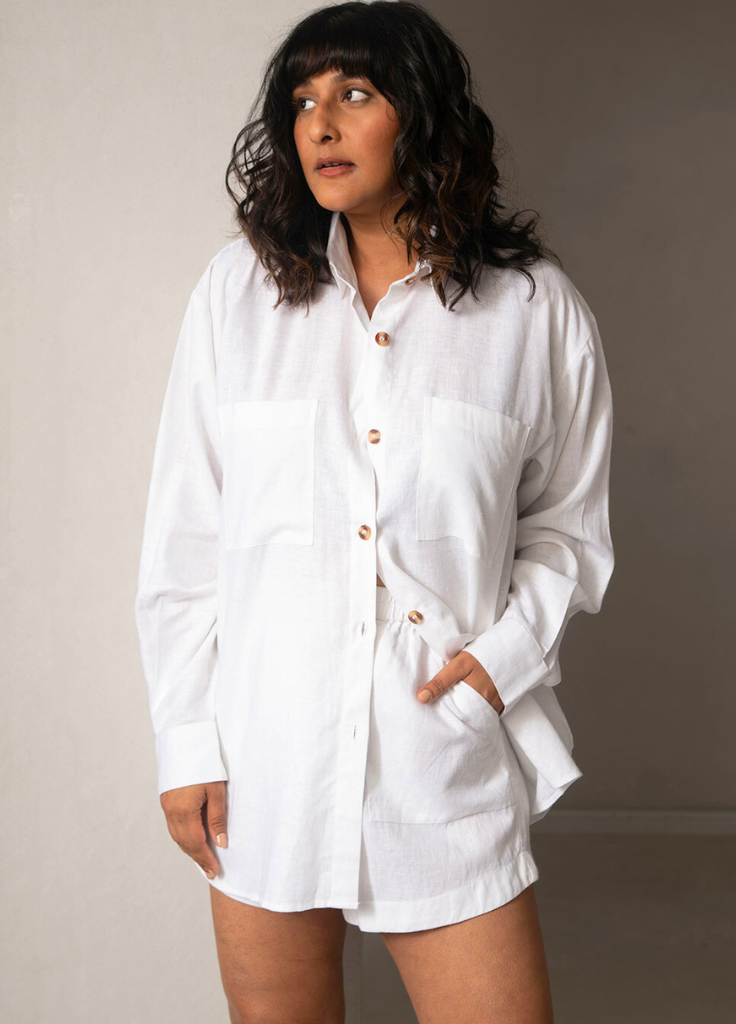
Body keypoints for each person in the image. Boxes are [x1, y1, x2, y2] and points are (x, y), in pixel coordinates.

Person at [134, 2, 615, 1021]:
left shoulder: (532, 311)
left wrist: (502, 660)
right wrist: (187, 745)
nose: (320, 123)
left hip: (438, 759)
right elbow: (187, 540)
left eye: (354, 93)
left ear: (422, 114)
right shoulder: (237, 297)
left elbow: (568, 529)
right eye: (302, 100)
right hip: (265, 759)